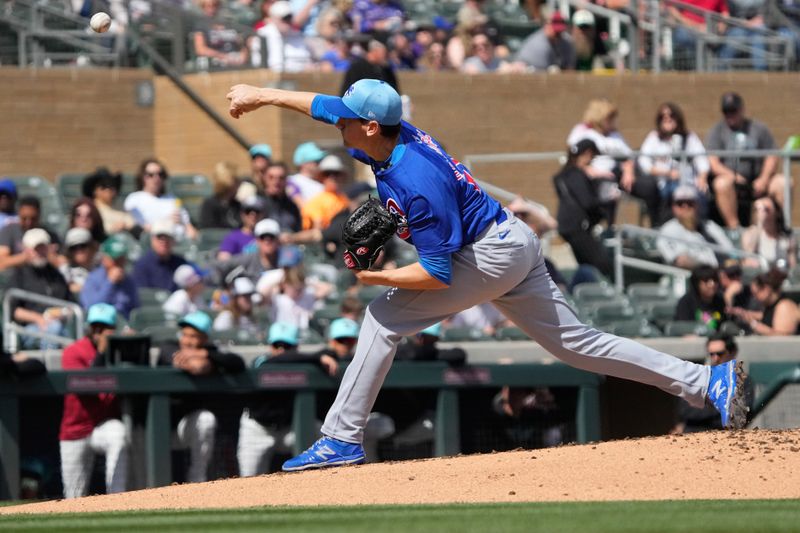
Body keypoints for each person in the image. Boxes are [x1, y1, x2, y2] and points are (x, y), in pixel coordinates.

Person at [226, 77, 747, 472]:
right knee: (577, 344)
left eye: (347, 120)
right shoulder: (392, 131)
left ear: (368, 127)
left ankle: (341, 436)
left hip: (489, 254)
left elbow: (436, 273)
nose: (336, 124)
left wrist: (371, 280)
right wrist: (261, 94)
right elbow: (321, 105)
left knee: (382, 318)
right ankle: (707, 381)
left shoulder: (415, 179)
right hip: (509, 238)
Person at [237, 322, 338, 476]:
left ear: (296, 347)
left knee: (318, 429)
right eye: (277, 345)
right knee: (248, 477)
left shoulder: (303, 362)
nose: (282, 350)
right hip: (258, 428)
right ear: (270, 346)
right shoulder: (261, 362)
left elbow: (333, 354)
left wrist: (318, 357)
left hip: (289, 430)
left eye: (287, 346)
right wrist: (317, 357)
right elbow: (280, 360)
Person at [157, 311, 245, 482]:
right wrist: (200, 357)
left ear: (205, 339)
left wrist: (205, 355)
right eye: (185, 335)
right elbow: (194, 366)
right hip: (158, 425)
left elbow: (237, 362)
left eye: (194, 336)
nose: (187, 341)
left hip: (185, 426)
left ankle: (197, 480)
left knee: (206, 420)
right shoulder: (168, 346)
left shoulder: (210, 352)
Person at [59, 303, 128, 499]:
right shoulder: (74, 351)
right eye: (96, 327)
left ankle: (117, 497)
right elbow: (87, 386)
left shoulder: (119, 351)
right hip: (76, 428)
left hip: (103, 425)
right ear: (89, 328)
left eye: (104, 327)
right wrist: (101, 353)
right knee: (73, 497)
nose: (99, 332)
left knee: (119, 433)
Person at [567, 98, 661, 226]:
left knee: (649, 186)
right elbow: (573, 158)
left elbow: (628, 156)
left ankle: (657, 225)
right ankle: (608, 228)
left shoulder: (614, 135)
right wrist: (591, 171)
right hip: (594, 178)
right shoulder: (583, 131)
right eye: (609, 118)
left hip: (617, 174)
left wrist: (628, 171)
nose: (613, 121)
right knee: (609, 190)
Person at [705, 92, 786, 230]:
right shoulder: (717, 131)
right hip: (732, 182)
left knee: (782, 182)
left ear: (742, 109)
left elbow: (772, 155)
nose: (730, 114)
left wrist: (764, 179)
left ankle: (778, 228)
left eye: (733, 110)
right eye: (726, 111)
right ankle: (735, 230)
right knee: (721, 184)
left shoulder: (758, 128)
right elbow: (713, 162)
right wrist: (734, 177)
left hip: (758, 182)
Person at [638, 102, 711, 226]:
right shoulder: (654, 138)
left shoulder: (689, 137)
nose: (667, 119)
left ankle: (699, 229)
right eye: (663, 117)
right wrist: (667, 173)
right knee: (670, 197)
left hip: (689, 183)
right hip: (664, 185)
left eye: (671, 115)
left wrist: (702, 177)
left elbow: (702, 159)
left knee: (700, 196)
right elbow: (643, 162)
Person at [552, 139, 613, 277]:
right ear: (586, 153)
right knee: (602, 264)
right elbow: (587, 202)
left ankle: (589, 290)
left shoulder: (565, 174)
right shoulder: (576, 174)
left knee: (586, 265)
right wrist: (607, 199)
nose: (591, 160)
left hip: (568, 226)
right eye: (592, 156)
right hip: (577, 226)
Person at [672, 333, 753, 434]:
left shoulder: (741, 379)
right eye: (711, 354)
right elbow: (684, 411)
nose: (715, 358)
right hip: (692, 435)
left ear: (733, 353)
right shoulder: (699, 376)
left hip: (724, 436)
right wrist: (721, 406)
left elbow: (739, 415)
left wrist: (704, 404)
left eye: (720, 353)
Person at [11, 229, 72, 349]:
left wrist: (62, 313)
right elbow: (14, 310)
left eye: (42, 247)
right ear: (26, 250)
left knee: (70, 335)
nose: (40, 252)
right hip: (28, 329)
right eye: (36, 248)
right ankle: (50, 367)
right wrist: (39, 319)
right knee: (54, 329)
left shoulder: (56, 275)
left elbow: (70, 304)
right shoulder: (19, 274)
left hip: (59, 326)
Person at [657, 185, 734, 269]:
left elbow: (729, 251)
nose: (685, 207)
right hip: (688, 277)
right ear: (673, 207)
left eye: (690, 203)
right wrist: (712, 266)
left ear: (697, 205)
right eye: (680, 203)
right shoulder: (668, 230)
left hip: (719, 274)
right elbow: (681, 261)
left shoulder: (709, 226)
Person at [124, 158, 198, 240]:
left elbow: (190, 229)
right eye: (151, 175)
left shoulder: (173, 199)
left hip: (181, 243)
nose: (156, 178)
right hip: (155, 244)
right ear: (143, 177)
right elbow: (139, 228)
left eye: (160, 174)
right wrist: (166, 222)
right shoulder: (134, 199)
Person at [81, 235, 140, 320]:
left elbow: (136, 309)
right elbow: (91, 308)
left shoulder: (128, 281)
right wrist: (110, 283)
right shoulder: (93, 279)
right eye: (115, 260)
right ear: (105, 259)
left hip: (124, 326)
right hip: (101, 325)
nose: (119, 263)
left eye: (121, 259)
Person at [729, 267, 800, 335]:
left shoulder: (784, 307)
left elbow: (782, 338)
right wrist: (745, 314)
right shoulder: (771, 306)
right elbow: (768, 316)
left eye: (756, 293)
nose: (754, 298)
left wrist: (753, 324)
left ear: (766, 289)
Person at [210, 218, 281, 285]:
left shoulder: (285, 262)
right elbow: (218, 268)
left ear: (278, 240)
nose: (267, 241)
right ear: (257, 240)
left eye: (271, 237)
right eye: (263, 237)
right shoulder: (245, 260)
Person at [0, 196, 61, 272]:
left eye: (33, 218)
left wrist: (48, 255)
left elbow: (62, 262)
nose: (28, 223)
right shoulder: (9, 231)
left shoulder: (49, 234)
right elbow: (1, 263)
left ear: (39, 215)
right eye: (24, 218)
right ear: (18, 214)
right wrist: (27, 256)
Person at [252, 0, 313, 71]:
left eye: (289, 18)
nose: (286, 22)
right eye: (283, 18)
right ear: (273, 18)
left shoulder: (298, 35)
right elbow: (258, 63)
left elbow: (306, 60)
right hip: (272, 78)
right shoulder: (262, 34)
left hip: (300, 77)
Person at [131, 219, 189, 292]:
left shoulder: (181, 263)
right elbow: (142, 297)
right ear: (152, 239)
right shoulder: (141, 265)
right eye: (159, 237)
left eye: (167, 237)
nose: (163, 241)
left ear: (173, 240)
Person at [741, 196, 796, 269]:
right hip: (760, 275)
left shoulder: (787, 237)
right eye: (758, 209)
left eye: (767, 209)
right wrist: (760, 222)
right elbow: (748, 257)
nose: (762, 212)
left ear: (777, 212)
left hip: (780, 275)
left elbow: (793, 265)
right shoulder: (751, 233)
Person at [192, 0, 249, 70]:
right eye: (206, 6)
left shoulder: (228, 22)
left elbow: (242, 43)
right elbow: (200, 49)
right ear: (202, 7)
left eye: (215, 5)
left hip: (234, 59)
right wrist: (223, 56)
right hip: (214, 61)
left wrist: (244, 55)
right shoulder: (201, 25)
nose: (211, 8)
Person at [82, 168, 139, 237]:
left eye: (112, 185)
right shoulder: (91, 207)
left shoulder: (120, 204)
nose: (108, 189)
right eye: (103, 186)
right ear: (94, 190)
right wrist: (112, 228)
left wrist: (124, 225)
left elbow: (132, 221)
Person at [301, 154, 350, 230]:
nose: (332, 177)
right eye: (328, 174)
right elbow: (317, 230)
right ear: (321, 177)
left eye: (336, 173)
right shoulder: (316, 202)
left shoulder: (344, 198)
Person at [674, 265, 727, 331]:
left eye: (715, 280)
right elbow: (683, 329)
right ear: (697, 283)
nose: (712, 284)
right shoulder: (686, 302)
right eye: (706, 280)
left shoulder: (720, 300)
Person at [257, 162, 302, 232]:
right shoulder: (257, 203)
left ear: (286, 180)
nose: (276, 181)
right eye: (271, 177)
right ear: (264, 178)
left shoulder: (292, 207)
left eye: (281, 178)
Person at [217, 196, 264, 260]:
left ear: (262, 214)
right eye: (248, 211)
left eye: (257, 211)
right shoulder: (233, 237)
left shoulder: (270, 237)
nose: (253, 215)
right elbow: (223, 261)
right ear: (242, 214)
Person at [199, 162, 241, 229]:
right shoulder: (209, 205)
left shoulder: (237, 205)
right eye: (236, 180)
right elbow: (208, 232)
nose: (239, 184)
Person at [59, 227, 98, 297]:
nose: (79, 250)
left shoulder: (101, 268)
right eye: (74, 247)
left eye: (82, 246)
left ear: (92, 247)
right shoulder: (64, 270)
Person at [286, 142, 327, 206]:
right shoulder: (293, 181)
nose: (320, 163)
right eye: (317, 161)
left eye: (321, 160)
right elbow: (303, 207)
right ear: (303, 163)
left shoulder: (325, 182)